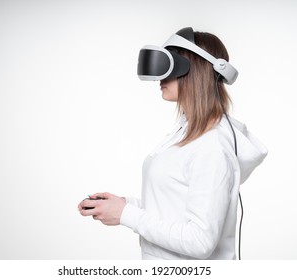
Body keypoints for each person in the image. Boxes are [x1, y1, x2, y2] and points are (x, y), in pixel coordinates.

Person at [78, 27, 267, 260]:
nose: (160, 77)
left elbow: (199, 241)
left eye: (169, 67)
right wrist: (124, 205)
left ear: (194, 71)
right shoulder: (185, 132)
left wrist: (126, 215)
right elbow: (172, 208)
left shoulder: (211, 147)